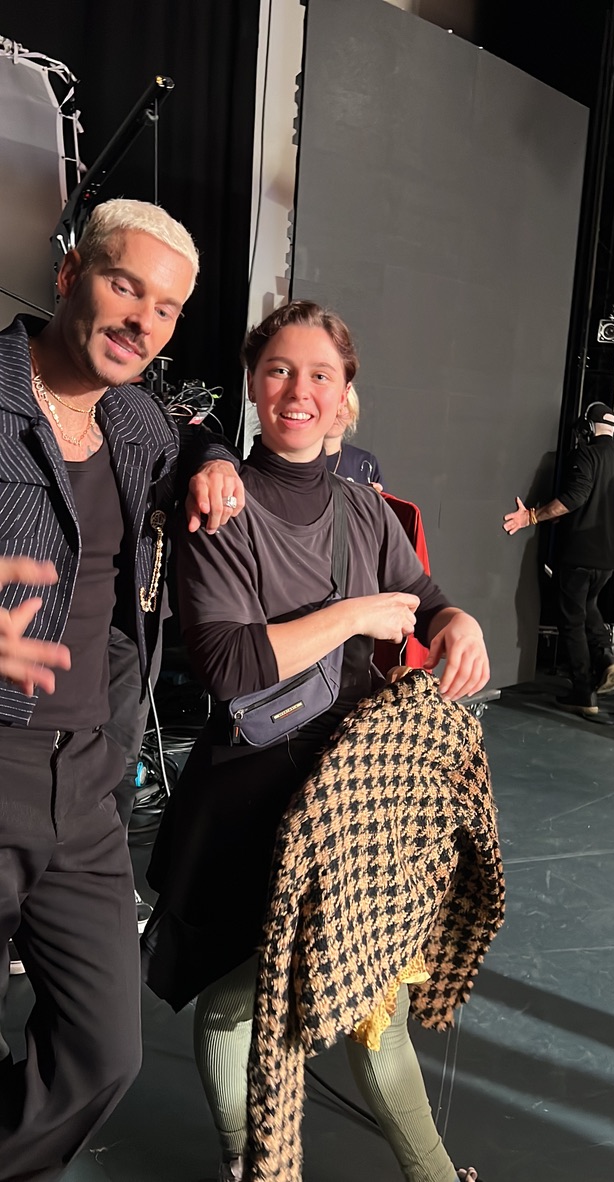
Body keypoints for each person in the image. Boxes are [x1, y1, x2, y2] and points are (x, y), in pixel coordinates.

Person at [142, 300, 489, 1182]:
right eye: (279, 370)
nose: (298, 390)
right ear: (254, 386)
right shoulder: (220, 504)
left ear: (344, 397)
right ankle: (247, 1160)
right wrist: (354, 616)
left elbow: (423, 594)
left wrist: (457, 620)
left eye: (319, 375)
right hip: (252, 796)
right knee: (236, 1001)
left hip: (349, 800)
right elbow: (228, 666)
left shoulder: (362, 509)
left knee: (375, 1001)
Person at [0, 197, 244, 1181]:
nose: (143, 321)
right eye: (123, 286)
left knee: (103, 1052)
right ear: (70, 276)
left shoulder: (137, 419)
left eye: (167, 308)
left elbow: (190, 429)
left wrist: (213, 458)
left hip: (89, 776)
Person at [502, 401, 614, 717]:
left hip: (579, 555)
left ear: (588, 428)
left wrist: (531, 516)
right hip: (608, 559)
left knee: (572, 621)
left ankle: (583, 692)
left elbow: (574, 498)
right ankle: (606, 658)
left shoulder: (586, 455)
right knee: (588, 605)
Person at [324, 382, 384, 488]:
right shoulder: (295, 458)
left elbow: (383, 498)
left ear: (352, 414)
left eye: (344, 405)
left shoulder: (366, 463)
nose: (337, 412)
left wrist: (372, 497)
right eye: (330, 404)